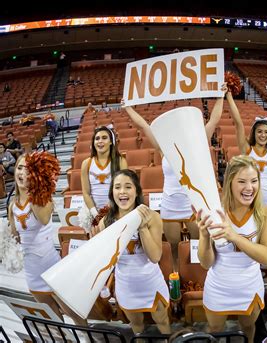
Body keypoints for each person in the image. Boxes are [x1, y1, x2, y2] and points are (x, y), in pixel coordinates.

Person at [123, 84, 226, 269]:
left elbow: (214, 120)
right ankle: (178, 278)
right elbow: (144, 125)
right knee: (174, 248)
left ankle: (199, 276)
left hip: (194, 203)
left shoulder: (197, 142)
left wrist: (221, 95)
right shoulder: (164, 149)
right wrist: (128, 108)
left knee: (198, 244)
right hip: (170, 204)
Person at [197, 155, 267, 341]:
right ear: (230, 183)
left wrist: (234, 236)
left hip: (249, 284)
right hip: (218, 285)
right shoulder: (215, 212)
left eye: (254, 181)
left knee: (248, 329)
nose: (249, 188)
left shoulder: (265, 213)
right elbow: (206, 263)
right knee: (215, 329)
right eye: (242, 181)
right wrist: (204, 236)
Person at [8, 154, 87, 326]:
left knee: (73, 312)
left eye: (29, 169)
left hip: (51, 266)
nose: (22, 173)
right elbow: (15, 238)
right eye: (20, 168)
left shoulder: (43, 200)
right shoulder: (12, 206)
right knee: (52, 317)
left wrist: (36, 186)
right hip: (32, 271)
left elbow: (43, 219)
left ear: (36, 173)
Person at [94, 169, 170, 335]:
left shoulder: (152, 217)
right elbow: (106, 261)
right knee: (136, 326)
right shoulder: (105, 223)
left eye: (128, 187)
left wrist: (142, 227)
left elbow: (155, 256)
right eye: (117, 187)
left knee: (163, 321)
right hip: (126, 285)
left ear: (136, 191)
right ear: (112, 192)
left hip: (151, 282)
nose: (122, 191)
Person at [226, 88, 267, 206]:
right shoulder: (247, 149)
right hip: (248, 202)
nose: (263, 135)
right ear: (254, 133)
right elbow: (238, 123)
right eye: (260, 132)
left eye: (266, 132)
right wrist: (229, 96)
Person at [81, 126, 127, 218]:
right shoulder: (86, 163)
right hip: (93, 212)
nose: (100, 141)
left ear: (111, 142)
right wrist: (95, 214)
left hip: (116, 209)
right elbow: (86, 193)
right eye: (97, 138)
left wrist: (109, 211)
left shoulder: (120, 161)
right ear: (93, 143)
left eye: (104, 138)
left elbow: (123, 189)